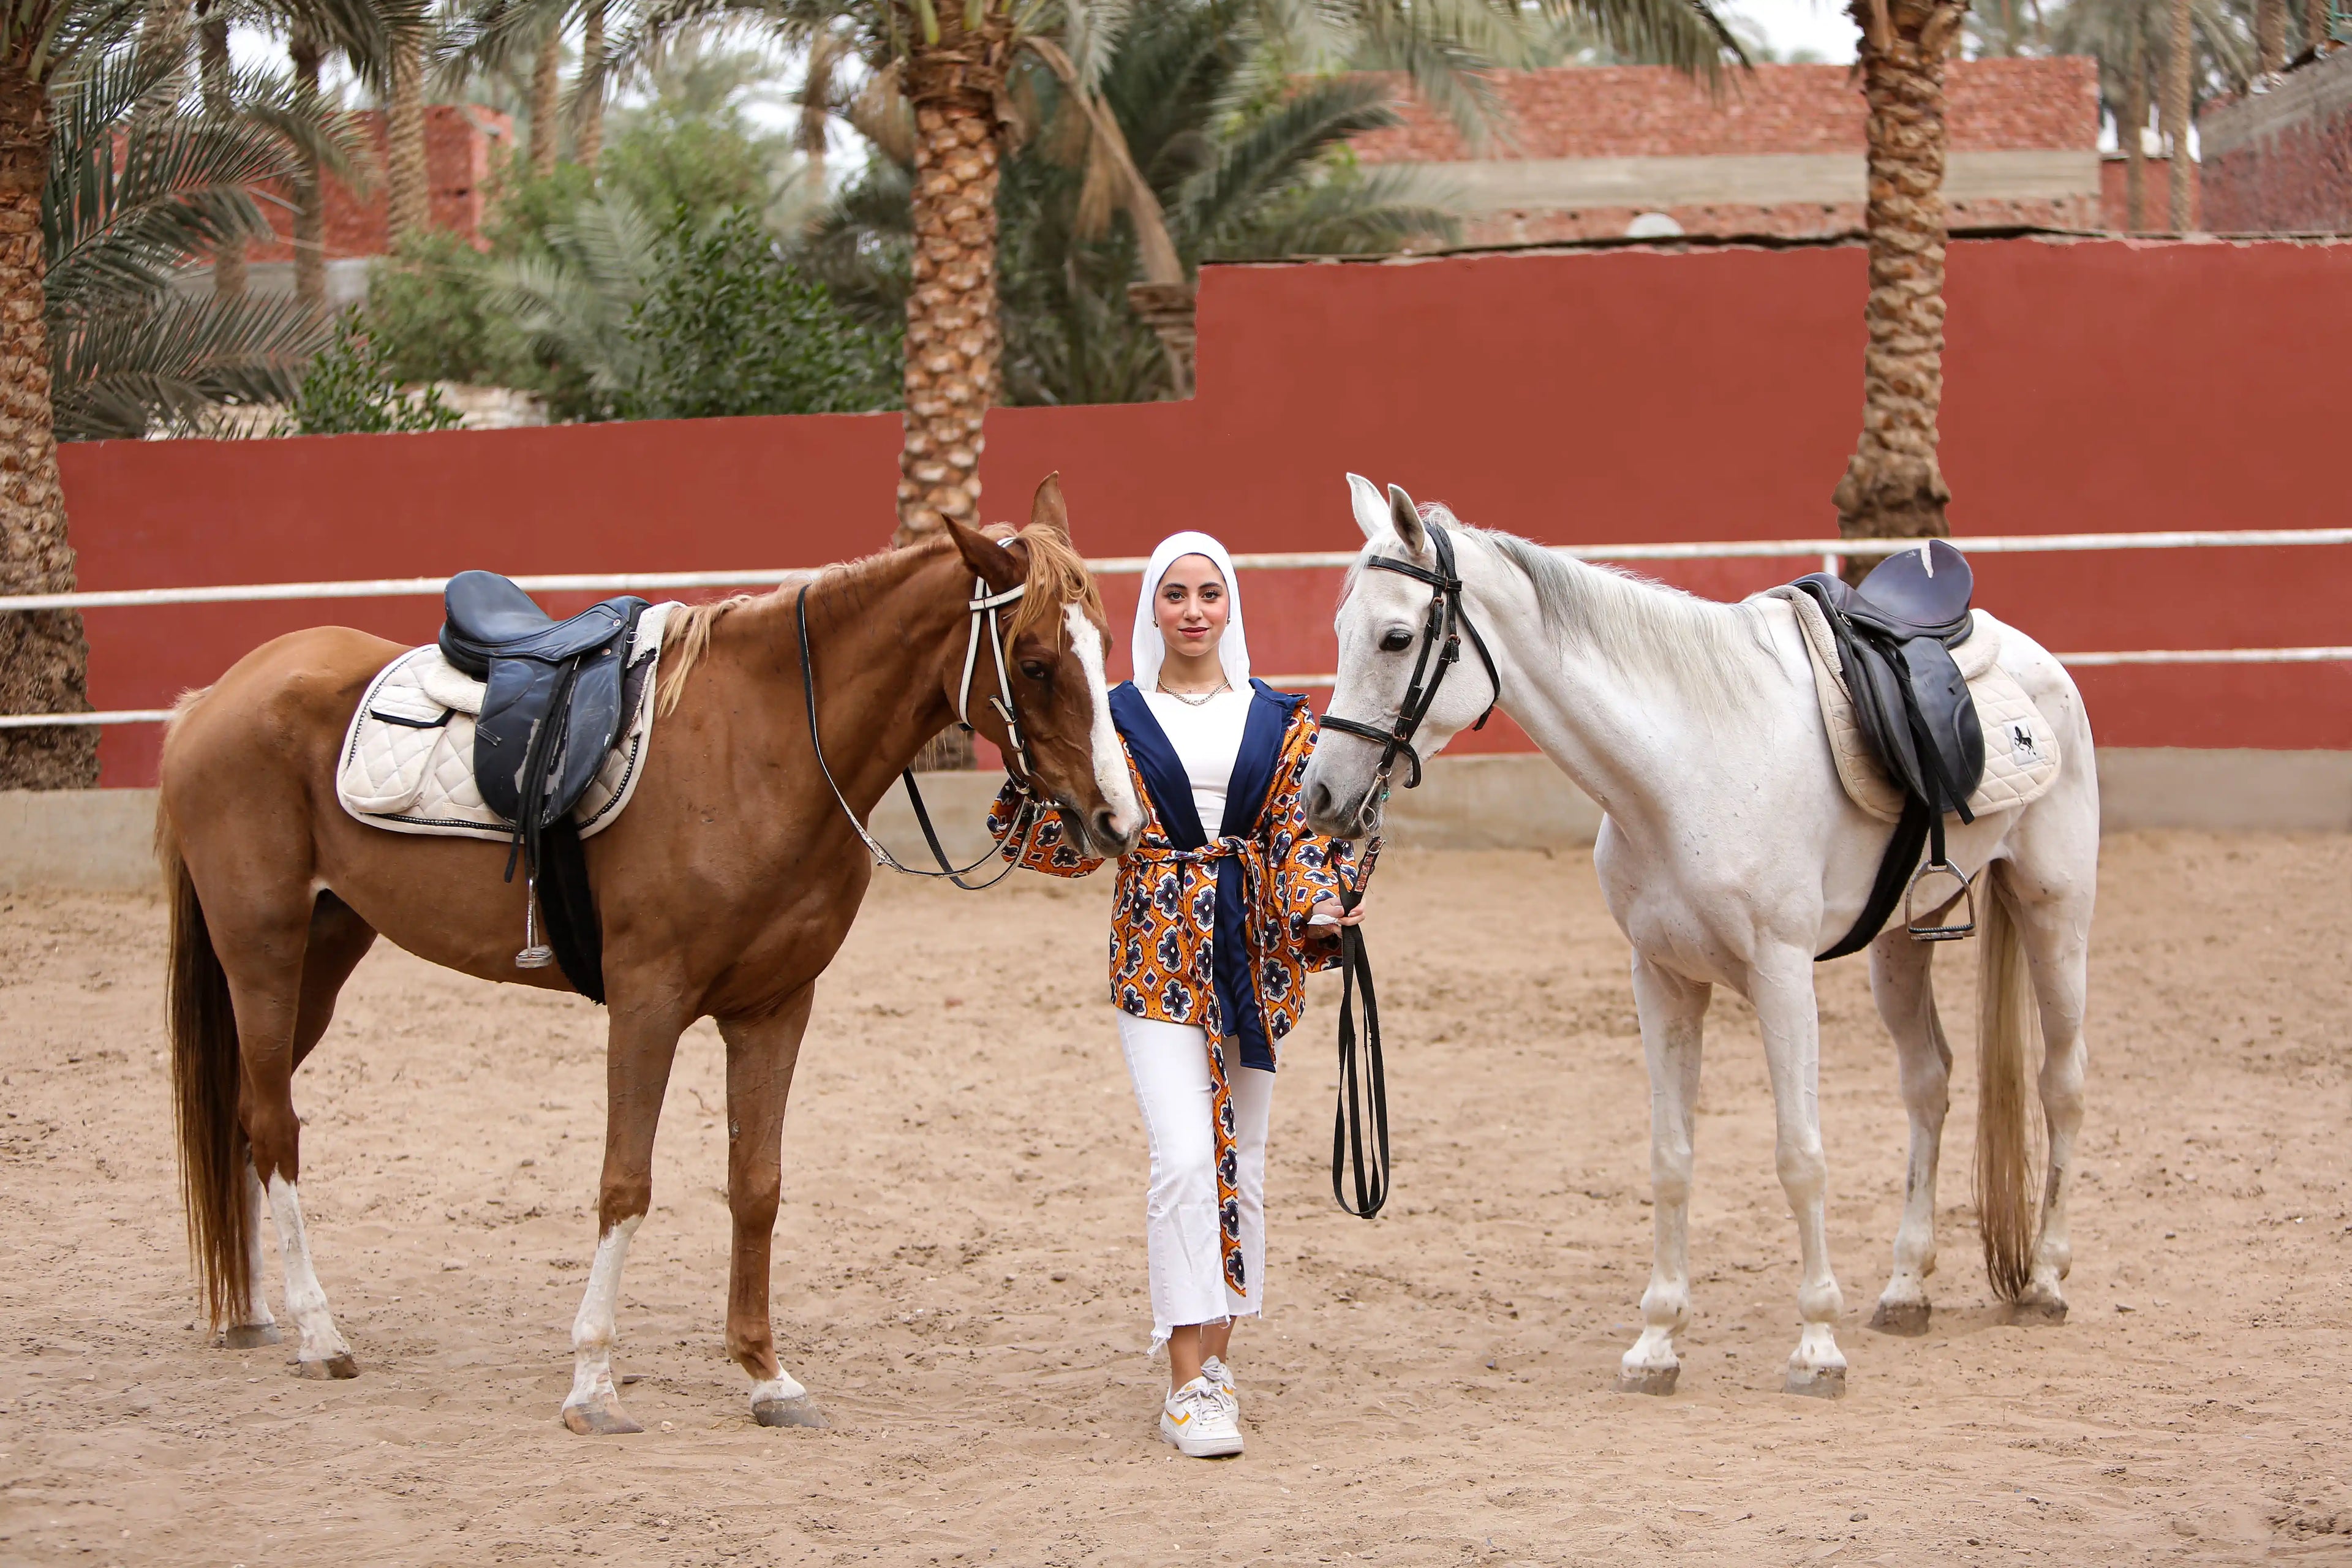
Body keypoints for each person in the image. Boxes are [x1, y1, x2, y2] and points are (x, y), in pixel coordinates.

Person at [989, 531, 1363, 1459]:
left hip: (1253, 955)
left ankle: (1219, 1359)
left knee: (1247, 1170)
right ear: (1151, 610)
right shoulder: (1107, 716)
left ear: (1229, 605)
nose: (1193, 610)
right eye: (1173, 594)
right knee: (1188, 1162)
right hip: (1154, 957)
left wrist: (1323, 904)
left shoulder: (1283, 720)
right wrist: (1032, 780)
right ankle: (1186, 1385)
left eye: (1209, 593)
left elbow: (1305, 838)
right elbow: (1060, 839)